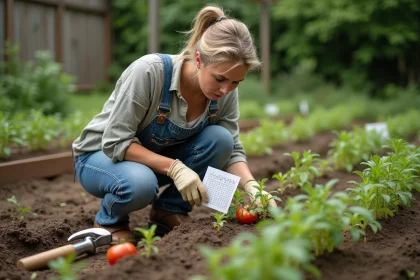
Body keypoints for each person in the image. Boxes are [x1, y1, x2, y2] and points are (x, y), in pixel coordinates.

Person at [72, 4, 277, 243]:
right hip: (101, 158)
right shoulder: (149, 72)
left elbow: (232, 149)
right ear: (199, 59)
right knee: (141, 183)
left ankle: (168, 211)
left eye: (236, 82)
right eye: (220, 78)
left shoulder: (225, 91)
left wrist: (254, 188)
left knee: (221, 139)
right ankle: (110, 220)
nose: (226, 89)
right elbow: (115, 141)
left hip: (154, 159)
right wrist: (175, 168)